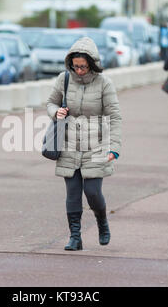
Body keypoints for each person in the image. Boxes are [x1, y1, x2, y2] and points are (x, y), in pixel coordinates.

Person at [47, 37, 122, 251]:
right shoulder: (64, 79)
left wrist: (114, 148)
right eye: (75, 66)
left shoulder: (104, 83)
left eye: (83, 66)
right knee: (72, 193)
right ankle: (75, 237)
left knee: (92, 192)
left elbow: (115, 116)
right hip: (69, 144)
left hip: (96, 145)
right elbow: (50, 102)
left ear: (92, 63)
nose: (79, 70)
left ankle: (102, 221)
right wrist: (56, 111)